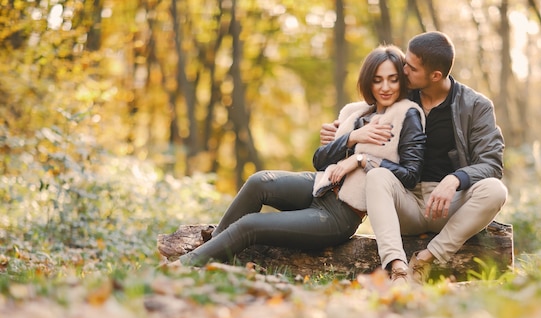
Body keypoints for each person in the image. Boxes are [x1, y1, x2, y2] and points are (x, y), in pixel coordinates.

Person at [169, 45, 427, 268]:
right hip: (320, 186)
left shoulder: (408, 114)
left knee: (251, 225)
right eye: (377, 79)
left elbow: (411, 175)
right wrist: (352, 138)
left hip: (339, 216)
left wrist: (361, 160)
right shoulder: (356, 112)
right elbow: (320, 160)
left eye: (393, 79)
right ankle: (213, 248)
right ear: (367, 81)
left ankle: (185, 266)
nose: (385, 87)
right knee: (259, 181)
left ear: (402, 81)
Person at [321, 31, 508, 284]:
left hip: (448, 205)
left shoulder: (475, 106)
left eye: (411, 67)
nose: (403, 70)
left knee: (496, 190)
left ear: (435, 76)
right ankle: (397, 270)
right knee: (377, 175)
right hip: (405, 199)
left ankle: (425, 260)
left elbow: (492, 164)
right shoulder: (403, 95)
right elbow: (368, 110)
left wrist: (455, 179)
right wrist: (342, 131)